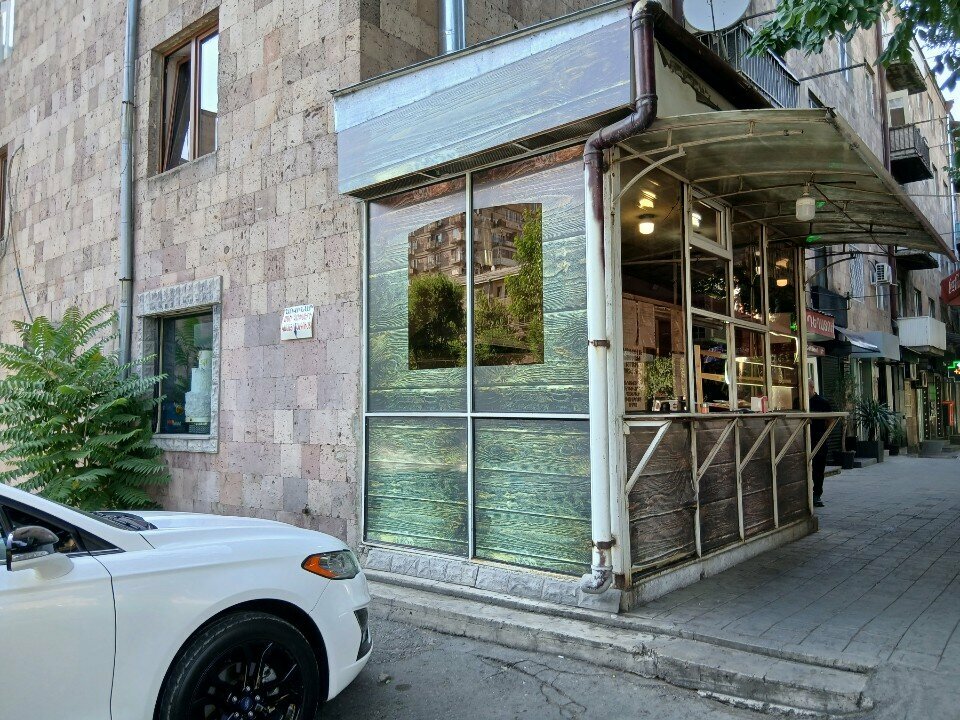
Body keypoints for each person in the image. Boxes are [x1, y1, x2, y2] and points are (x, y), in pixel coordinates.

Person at [808, 379, 832, 507]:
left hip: (819, 438)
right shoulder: (798, 401)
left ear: (812, 387)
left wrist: (824, 435)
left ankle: (817, 494)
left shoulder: (823, 402)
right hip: (803, 439)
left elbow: (829, 420)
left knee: (818, 467)